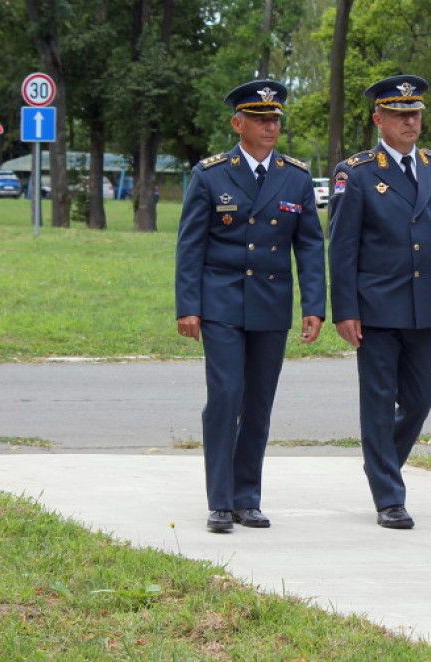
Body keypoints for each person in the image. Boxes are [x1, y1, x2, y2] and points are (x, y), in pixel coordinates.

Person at [175, 80, 325, 534]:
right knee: (225, 397)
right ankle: (220, 500)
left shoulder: (295, 176)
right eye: (260, 119)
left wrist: (313, 305)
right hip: (220, 301)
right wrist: (188, 306)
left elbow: (310, 247)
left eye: (275, 119)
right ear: (237, 123)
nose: (270, 126)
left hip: (270, 304)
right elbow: (190, 245)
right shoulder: (211, 173)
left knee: (258, 402)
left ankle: (247, 497)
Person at [328, 74, 431, 529]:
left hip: (425, 304)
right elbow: (342, 246)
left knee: (422, 398)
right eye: (399, 113)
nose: (410, 120)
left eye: (416, 113)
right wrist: (344, 309)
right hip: (376, 305)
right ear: (378, 119)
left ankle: (380, 461)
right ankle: (389, 495)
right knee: (378, 398)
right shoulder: (358, 172)